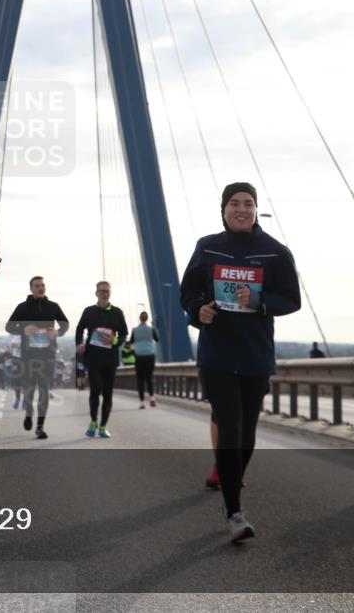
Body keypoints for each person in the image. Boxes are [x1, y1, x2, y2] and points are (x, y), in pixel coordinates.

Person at [179, 182, 300, 543]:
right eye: (234, 203)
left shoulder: (275, 252)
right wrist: (196, 311)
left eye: (248, 203)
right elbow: (188, 291)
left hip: (255, 354)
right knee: (229, 426)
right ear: (224, 209)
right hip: (216, 353)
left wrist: (259, 300)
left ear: (256, 209)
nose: (241, 209)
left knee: (247, 432)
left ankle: (230, 479)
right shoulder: (208, 246)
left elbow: (291, 299)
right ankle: (234, 512)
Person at [5, 276, 70, 439]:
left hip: (48, 356)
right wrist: (24, 330)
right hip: (28, 357)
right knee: (29, 391)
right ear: (31, 289)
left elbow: (65, 324)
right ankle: (28, 412)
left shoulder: (53, 306)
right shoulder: (23, 307)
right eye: (37, 285)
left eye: (42, 285)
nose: (41, 288)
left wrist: (58, 332)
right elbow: (9, 326)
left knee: (44, 391)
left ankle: (40, 427)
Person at [75, 281, 128, 438]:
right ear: (96, 293)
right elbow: (79, 329)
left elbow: (124, 333)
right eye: (102, 291)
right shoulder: (89, 311)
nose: (105, 293)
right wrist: (79, 343)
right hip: (93, 358)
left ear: (110, 293)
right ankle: (93, 421)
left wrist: (115, 341)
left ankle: (103, 426)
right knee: (96, 389)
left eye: (107, 291)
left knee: (108, 393)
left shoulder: (117, 312)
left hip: (110, 359)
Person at [130, 312, 159, 409]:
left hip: (139, 357)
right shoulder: (151, 329)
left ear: (140, 318)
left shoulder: (135, 330)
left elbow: (131, 342)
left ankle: (142, 402)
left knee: (140, 380)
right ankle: (152, 398)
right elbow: (157, 339)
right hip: (150, 356)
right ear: (147, 319)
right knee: (149, 378)